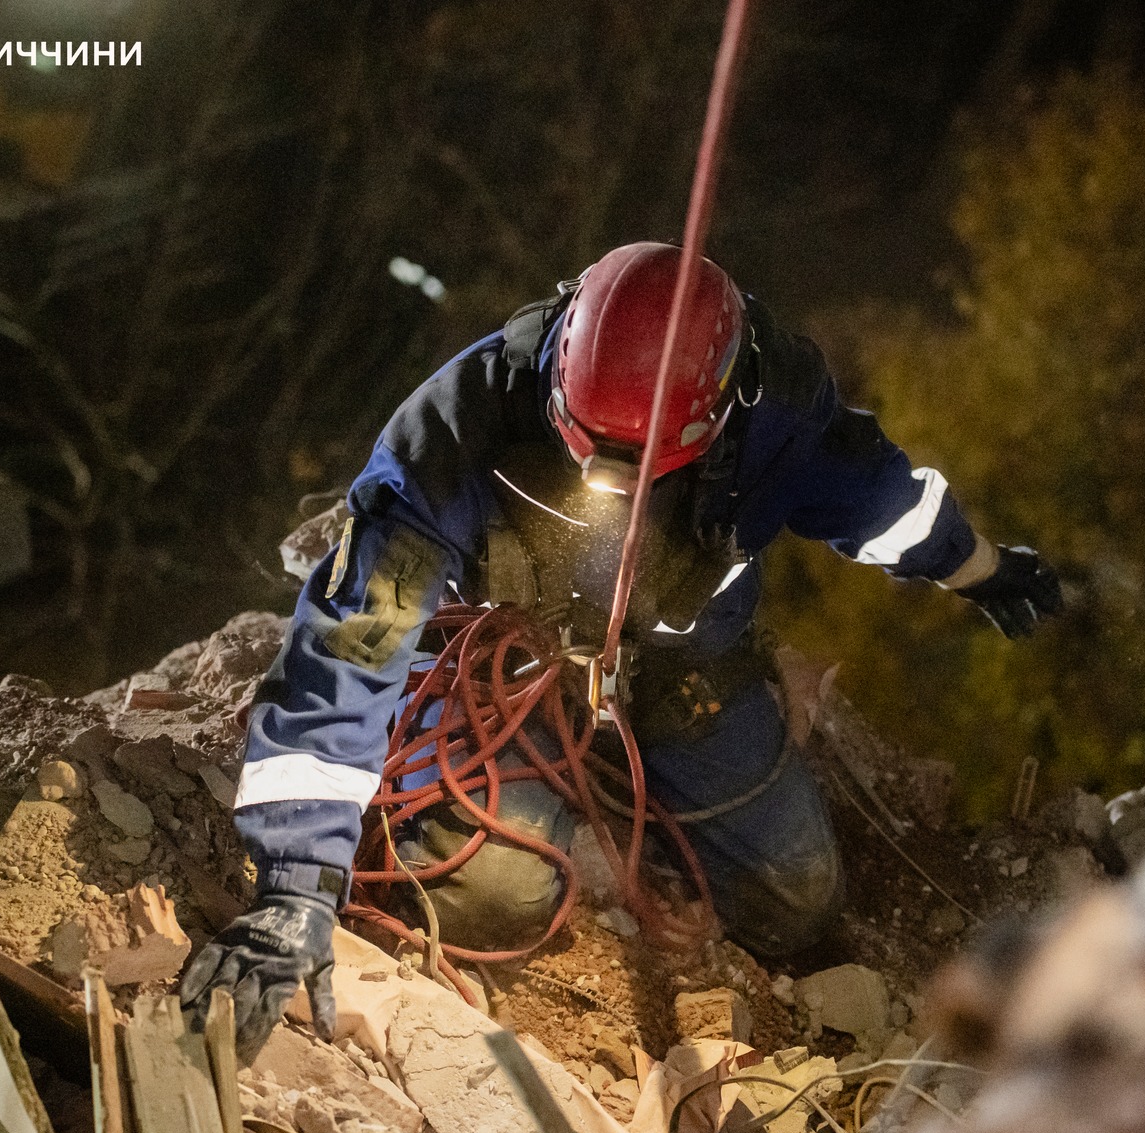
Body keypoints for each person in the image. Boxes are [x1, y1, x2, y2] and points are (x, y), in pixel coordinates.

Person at [180, 242, 1062, 1053]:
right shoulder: (456, 431)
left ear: (717, 414)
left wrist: (984, 571)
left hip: (683, 665)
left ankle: (634, 821)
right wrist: (294, 886)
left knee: (797, 895)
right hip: (505, 669)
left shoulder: (779, 414)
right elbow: (352, 645)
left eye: (629, 462)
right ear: (560, 361)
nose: (603, 475)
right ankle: (532, 816)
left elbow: (886, 502)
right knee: (495, 894)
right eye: (587, 447)